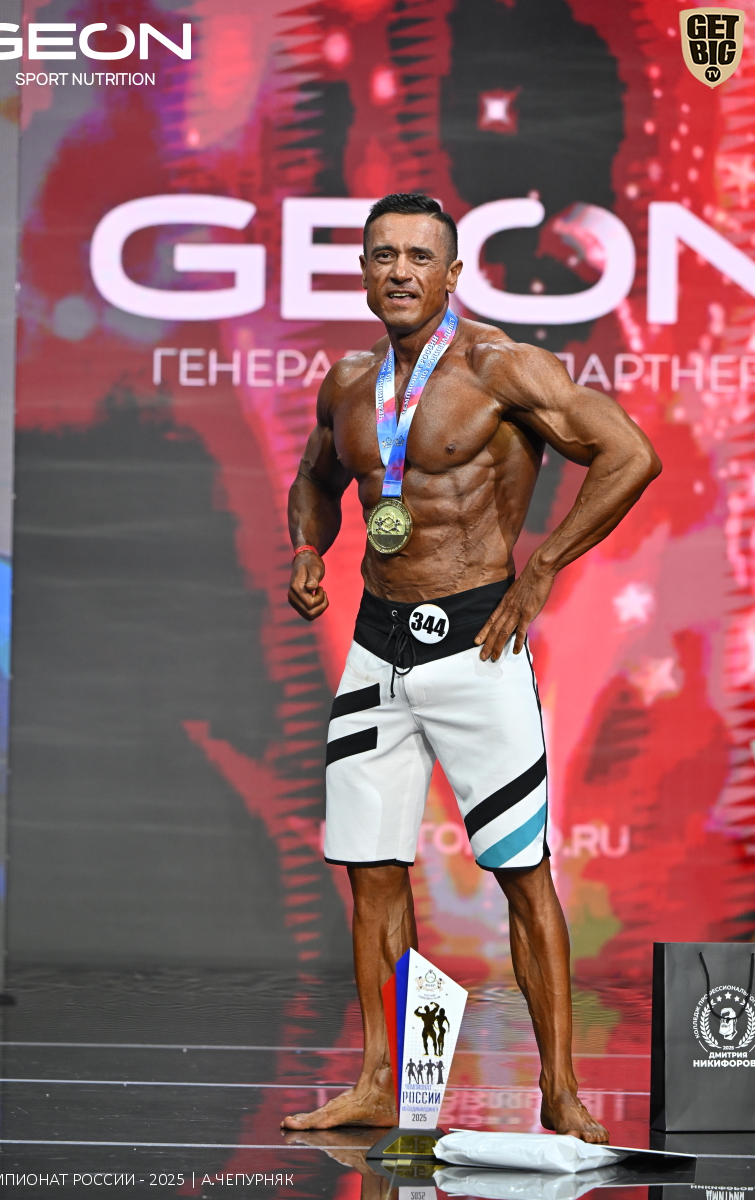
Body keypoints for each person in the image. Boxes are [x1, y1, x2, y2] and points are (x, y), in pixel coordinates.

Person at [281, 193, 661, 1141]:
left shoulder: (501, 366)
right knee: (372, 870)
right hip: (377, 648)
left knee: (522, 873)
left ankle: (560, 1092)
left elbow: (629, 453)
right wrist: (306, 549)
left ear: (452, 274)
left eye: (420, 256)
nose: (400, 271)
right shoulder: (349, 382)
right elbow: (316, 478)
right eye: (383, 255)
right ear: (363, 272)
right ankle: (381, 1082)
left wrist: (542, 568)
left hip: (476, 645)